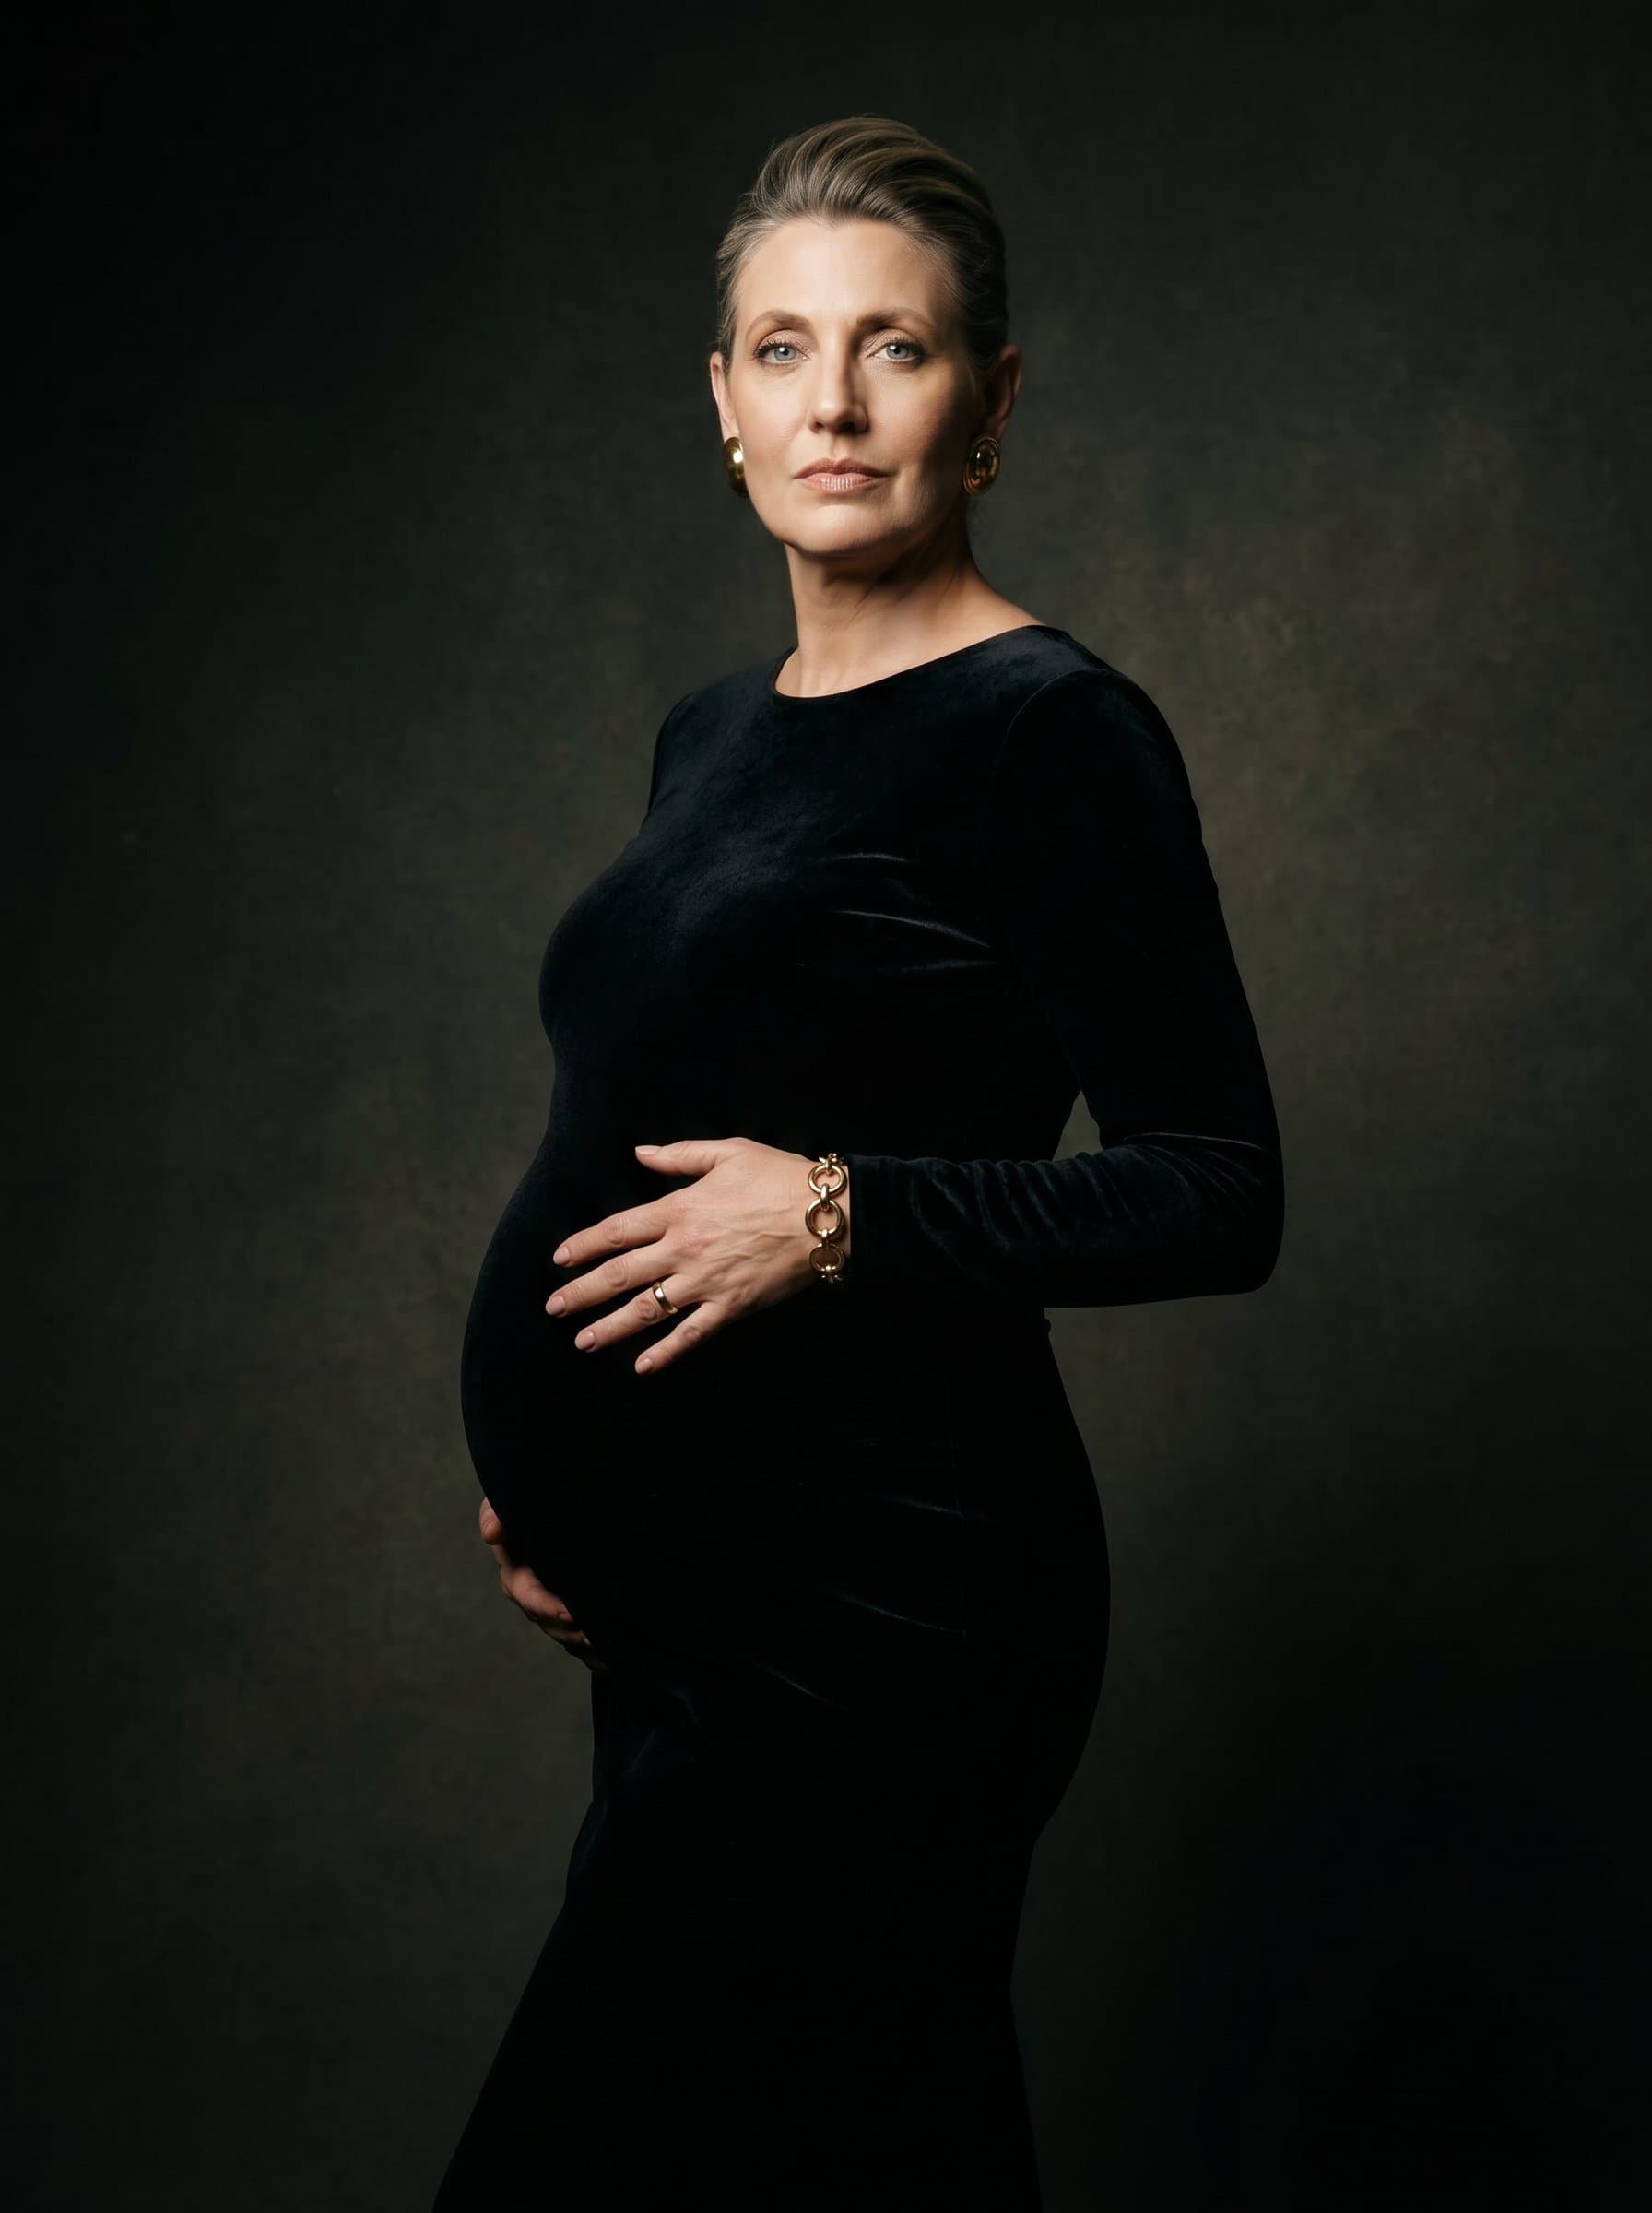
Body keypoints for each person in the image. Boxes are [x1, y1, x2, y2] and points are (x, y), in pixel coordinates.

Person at [433, 113, 1283, 2210]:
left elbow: (1212, 1183)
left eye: (889, 349)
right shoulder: (709, 734)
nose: (831, 401)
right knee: (854, 2150)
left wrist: (835, 1212)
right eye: (781, 347)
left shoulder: (1045, 729)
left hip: (886, 1609)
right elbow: (619, 1127)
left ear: (985, 403)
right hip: (691, 1621)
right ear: (717, 399)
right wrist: (563, 1466)